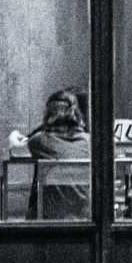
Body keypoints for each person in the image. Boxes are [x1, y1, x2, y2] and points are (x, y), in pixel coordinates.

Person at [26, 88, 91, 219]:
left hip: (52, 218)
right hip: (85, 217)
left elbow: (16, 147)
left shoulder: (39, 141)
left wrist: (14, 135)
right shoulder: (89, 141)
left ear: (48, 114)